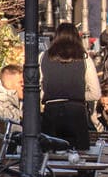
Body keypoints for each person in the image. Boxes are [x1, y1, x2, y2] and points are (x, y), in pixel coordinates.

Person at [41, 23, 102, 152]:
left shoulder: (44, 57)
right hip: (76, 111)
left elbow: (37, 88)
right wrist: (77, 94)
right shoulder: (84, 58)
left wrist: (52, 94)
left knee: (50, 155)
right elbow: (96, 93)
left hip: (51, 111)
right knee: (78, 154)